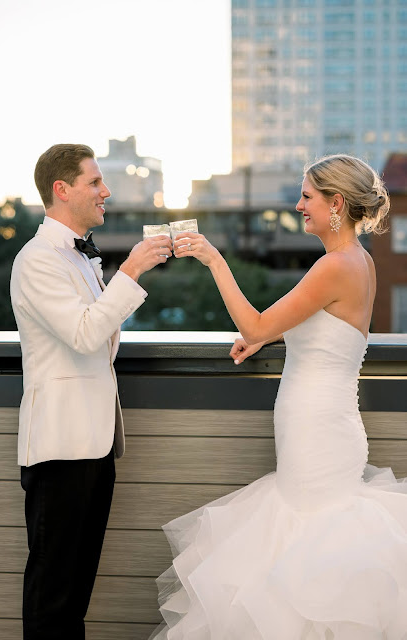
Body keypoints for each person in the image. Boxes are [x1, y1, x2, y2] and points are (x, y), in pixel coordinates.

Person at [151, 154, 407, 638]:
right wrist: (267, 336)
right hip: (324, 429)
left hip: (319, 437)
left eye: (307, 196)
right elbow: (314, 325)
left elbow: (257, 322)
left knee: (308, 557)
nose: (298, 205)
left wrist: (214, 259)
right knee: (306, 554)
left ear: (335, 203)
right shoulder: (358, 260)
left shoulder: (335, 266)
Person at [10, 143, 172, 640]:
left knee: (76, 592)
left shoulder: (78, 256)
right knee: (53, 593)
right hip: (60, 446)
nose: (106, 191)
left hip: (94, 443)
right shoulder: (37, 259)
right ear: (62, 190)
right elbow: (84, 334)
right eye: (95, 182)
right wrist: (133, 269)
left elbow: (98, 338)